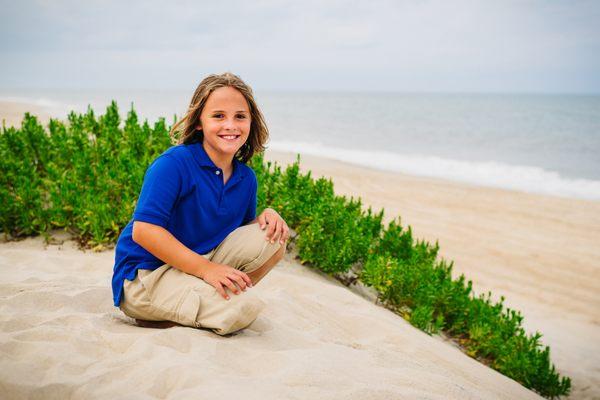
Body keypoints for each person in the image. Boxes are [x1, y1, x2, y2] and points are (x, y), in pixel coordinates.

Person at [111, 72, 289, 335]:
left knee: (274, 238)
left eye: (240, 116)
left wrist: (269, 214)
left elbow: (239, 231)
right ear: (199, 123)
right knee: (242, 309)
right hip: (145, 276)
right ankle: (187, 307)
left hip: (196, 263)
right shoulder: (174, 164)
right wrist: (207, 270)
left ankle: (214, 295)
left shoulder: (245, 178)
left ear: (251, 122)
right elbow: (144, 230)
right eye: (218, 116)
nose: (230, 125)